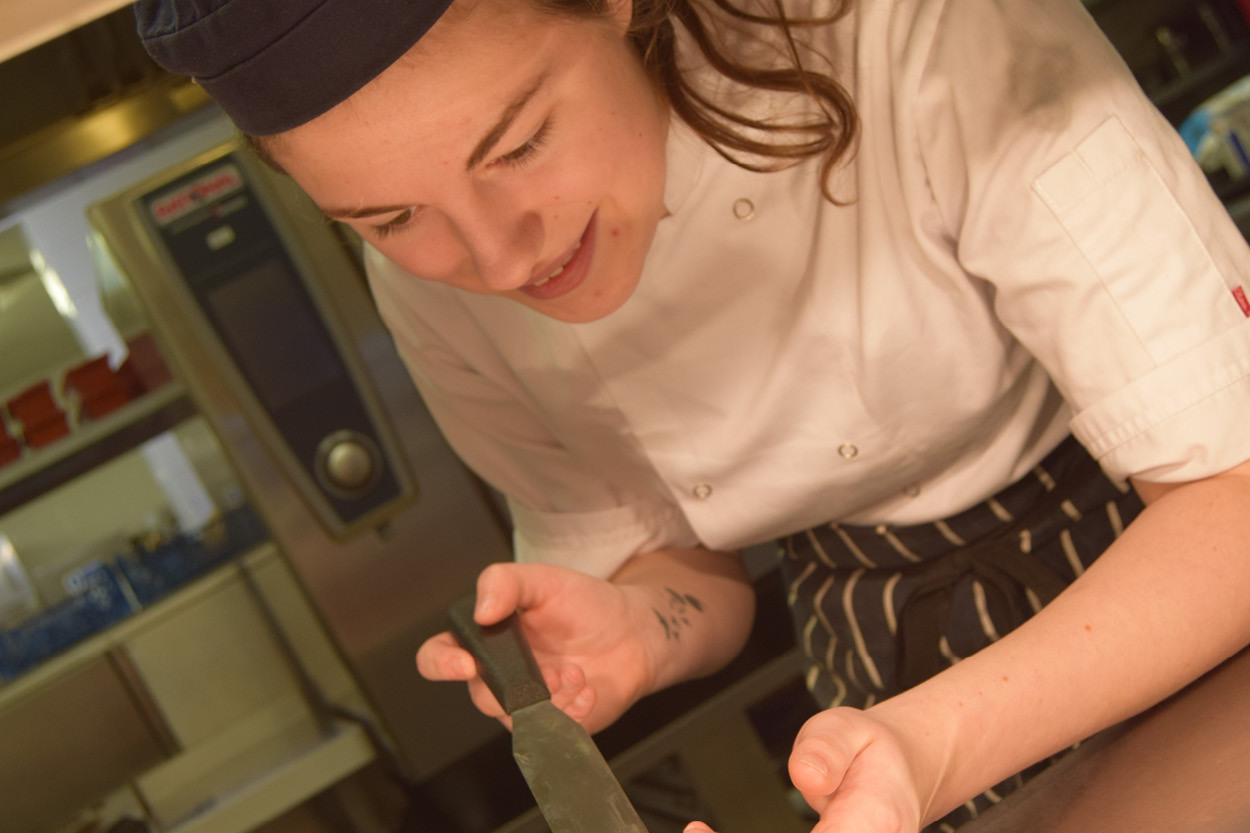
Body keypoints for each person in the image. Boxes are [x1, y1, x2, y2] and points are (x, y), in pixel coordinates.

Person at [134, 0, 1250, 830]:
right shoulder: (432, 292)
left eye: (517, 143)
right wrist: (635, 622)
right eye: (389, 217)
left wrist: (927, 739)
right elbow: (681, 563)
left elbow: (1231, 490)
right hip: (876, 664)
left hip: (1160, 566)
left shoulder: (918, 30)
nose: (492, 254)